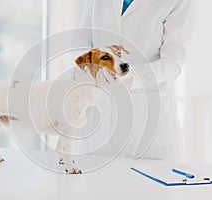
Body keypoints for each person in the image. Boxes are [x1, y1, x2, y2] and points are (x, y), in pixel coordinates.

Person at [72, 0, 195, 160]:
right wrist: (95, 69)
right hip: (96, 127)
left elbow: (173, 62)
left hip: (148, 130)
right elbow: (81, 41)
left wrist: (131, 76)